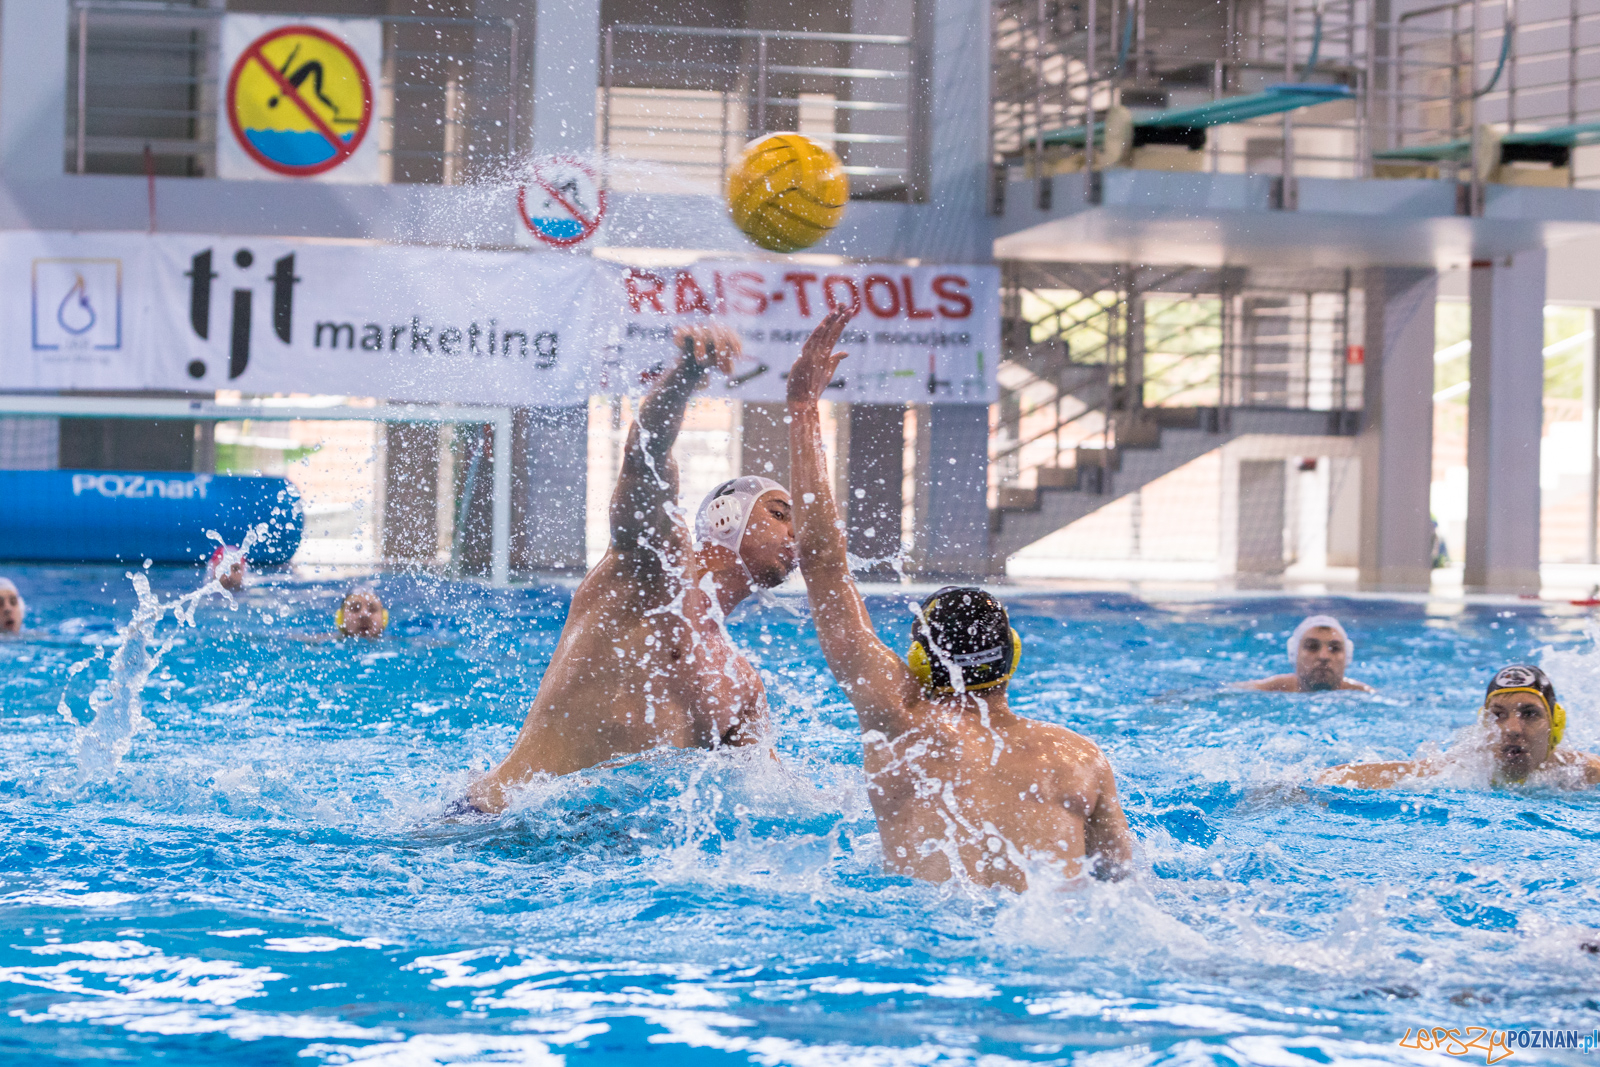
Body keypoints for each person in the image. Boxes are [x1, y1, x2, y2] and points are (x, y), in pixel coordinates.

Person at [786, 306, 1132, 890]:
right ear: (1012, 654)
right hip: (1060, 935)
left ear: (920, 661)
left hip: (936, 934)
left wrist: (801, 409)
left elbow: (822, 563)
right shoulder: (1080, 758)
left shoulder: (900, 724)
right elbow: (1124, 885)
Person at [455, 323, 796, 815]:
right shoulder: (654, 563)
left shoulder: (742, 685)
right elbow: (646, 459)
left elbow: (774, 804)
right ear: (726, 519)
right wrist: (685, 378)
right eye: (779, 514)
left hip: (604, 860)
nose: (794, 535)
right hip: (494, 826)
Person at [1318, 664, 1600, 789]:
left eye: (1529, 714)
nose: (1512, 728)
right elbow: (1387, 773)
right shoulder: (1465, 768)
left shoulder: (1581, 772)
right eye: (1498, 715)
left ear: (1556, 726)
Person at [1237, 614, 1373, 693]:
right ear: (1293, 654)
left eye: (1335, 648)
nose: (1323, 657)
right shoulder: (1268, 689)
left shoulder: (1364, 695)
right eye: (1312, 647)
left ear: (1347, 658)